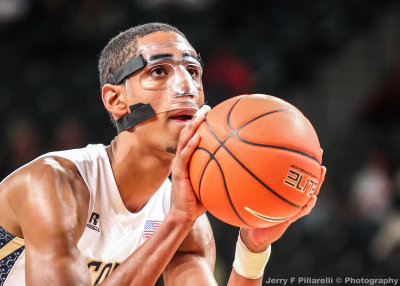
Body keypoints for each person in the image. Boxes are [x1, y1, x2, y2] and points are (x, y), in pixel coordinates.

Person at [0, 23, 326, 285]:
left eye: (193, 71)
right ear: (116, 100)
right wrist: (178, 221)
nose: (185, 86)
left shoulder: (180, 215)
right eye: (159, 71)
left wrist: (252, 250)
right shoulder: (53, 184)